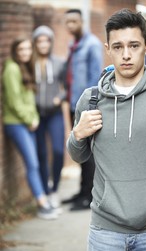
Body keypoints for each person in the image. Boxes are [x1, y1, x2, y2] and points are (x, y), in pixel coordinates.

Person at [67, 8, 146, 251]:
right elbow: (78, 156)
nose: (126, 55)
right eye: (118, 47)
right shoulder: (91, 99)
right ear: (107, 49)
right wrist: (78, 134)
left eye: (134, 45)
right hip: (105, 232)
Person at [2, 36, 58, 220]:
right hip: (16, 124)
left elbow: (29, 100)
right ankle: (42, 205)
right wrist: (30, 119)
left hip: (28, 123)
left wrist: (33, 118)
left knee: (35, 161)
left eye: (27, 49)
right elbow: (14, 101)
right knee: (32, 163)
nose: (25, 53)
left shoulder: (24, 67)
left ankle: (44, 201)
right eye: (21, 50)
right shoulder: (11, 69)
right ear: (15, 51)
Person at [63, 9, 103, 211]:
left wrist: (90, 107)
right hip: (73, 105)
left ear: (82, 21)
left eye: (74, 21)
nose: (70, 25)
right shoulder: (73, 45)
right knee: (79, 149)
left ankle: (88, 196)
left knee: (88, 153)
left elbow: (96, 79)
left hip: (85, 107)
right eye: (67, 22)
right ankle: (81, 191)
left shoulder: (92, 45)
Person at [32, 26, 70, 212]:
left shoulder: (59, 62)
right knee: (40, 154)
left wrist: (60, 98)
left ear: (51, 42)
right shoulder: (30, 64)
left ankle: (54, 190)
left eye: (47, 40)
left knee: (57, 151)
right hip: (37, 115)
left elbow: (66, 87)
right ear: (35, 43)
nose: (43, 44)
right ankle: (45, 192)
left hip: (54, 113)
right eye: (40, 41)